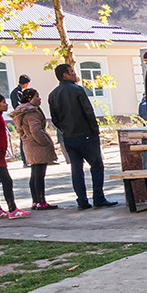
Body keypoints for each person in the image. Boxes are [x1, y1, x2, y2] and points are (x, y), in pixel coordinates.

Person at [48, 63, 118, 210]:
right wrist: (94, 130)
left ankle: (82, 200)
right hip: (85, 134)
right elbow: (88, 111)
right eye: (72, 71)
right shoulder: (78, 90)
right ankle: (98, 197)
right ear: (65, 75)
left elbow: (55, 119)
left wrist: (65, 130)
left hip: (69, 137)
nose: (75, 73)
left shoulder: (53, 94)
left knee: (76, 168)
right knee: (96, 165)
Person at [10, 87, 58, 210]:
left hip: (28, 144)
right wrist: (45, 141)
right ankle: (41, 202)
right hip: (37, 145)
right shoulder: (31, 112)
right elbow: (36, 130)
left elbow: (20, 130)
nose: (39, 99)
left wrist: (25, 138)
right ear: (30, 98)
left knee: (35, 173)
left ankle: (35, 201)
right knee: (39, 174)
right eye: (37, 96)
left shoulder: (21, 112)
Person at [10, 74, 32, 166]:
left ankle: (29, 159)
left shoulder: (20, 92)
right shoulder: (16, 92)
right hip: (21, 117)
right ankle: (25, 160)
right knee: (24, 138)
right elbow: (18, 106)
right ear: (26, 83)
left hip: (24, 117)